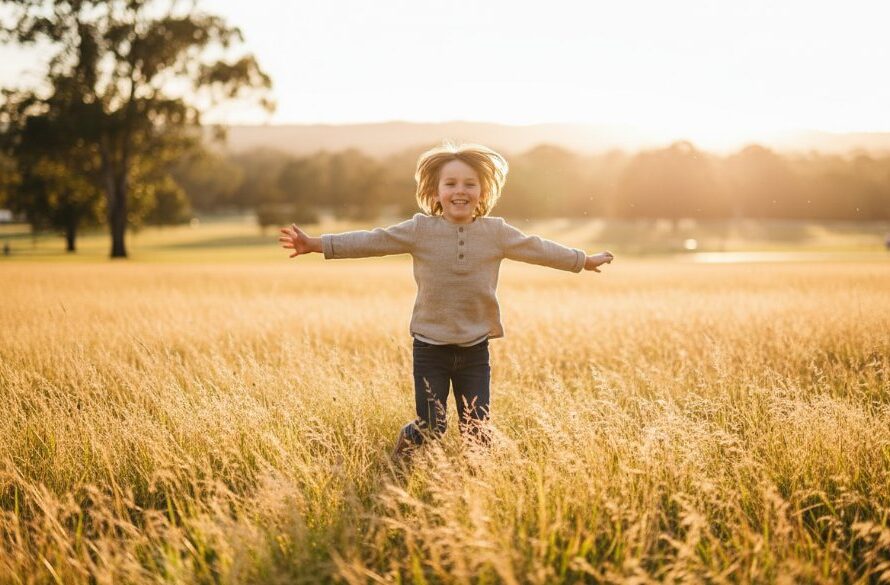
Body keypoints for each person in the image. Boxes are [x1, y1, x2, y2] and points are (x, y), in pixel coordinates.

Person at [279, 142, 614, 464]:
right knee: (432, 426)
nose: (460, 190)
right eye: (450, 183)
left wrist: (582, 260)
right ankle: (401, 462)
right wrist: (316, 244)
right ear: (435, 192)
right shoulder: (420, 230)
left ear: (483, 192)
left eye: (470, 184)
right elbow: (372, 240)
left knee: (477, 430)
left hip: (474, 349)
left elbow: (537, 247)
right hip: (430, 349)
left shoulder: (495, 232)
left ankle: (474, 490)